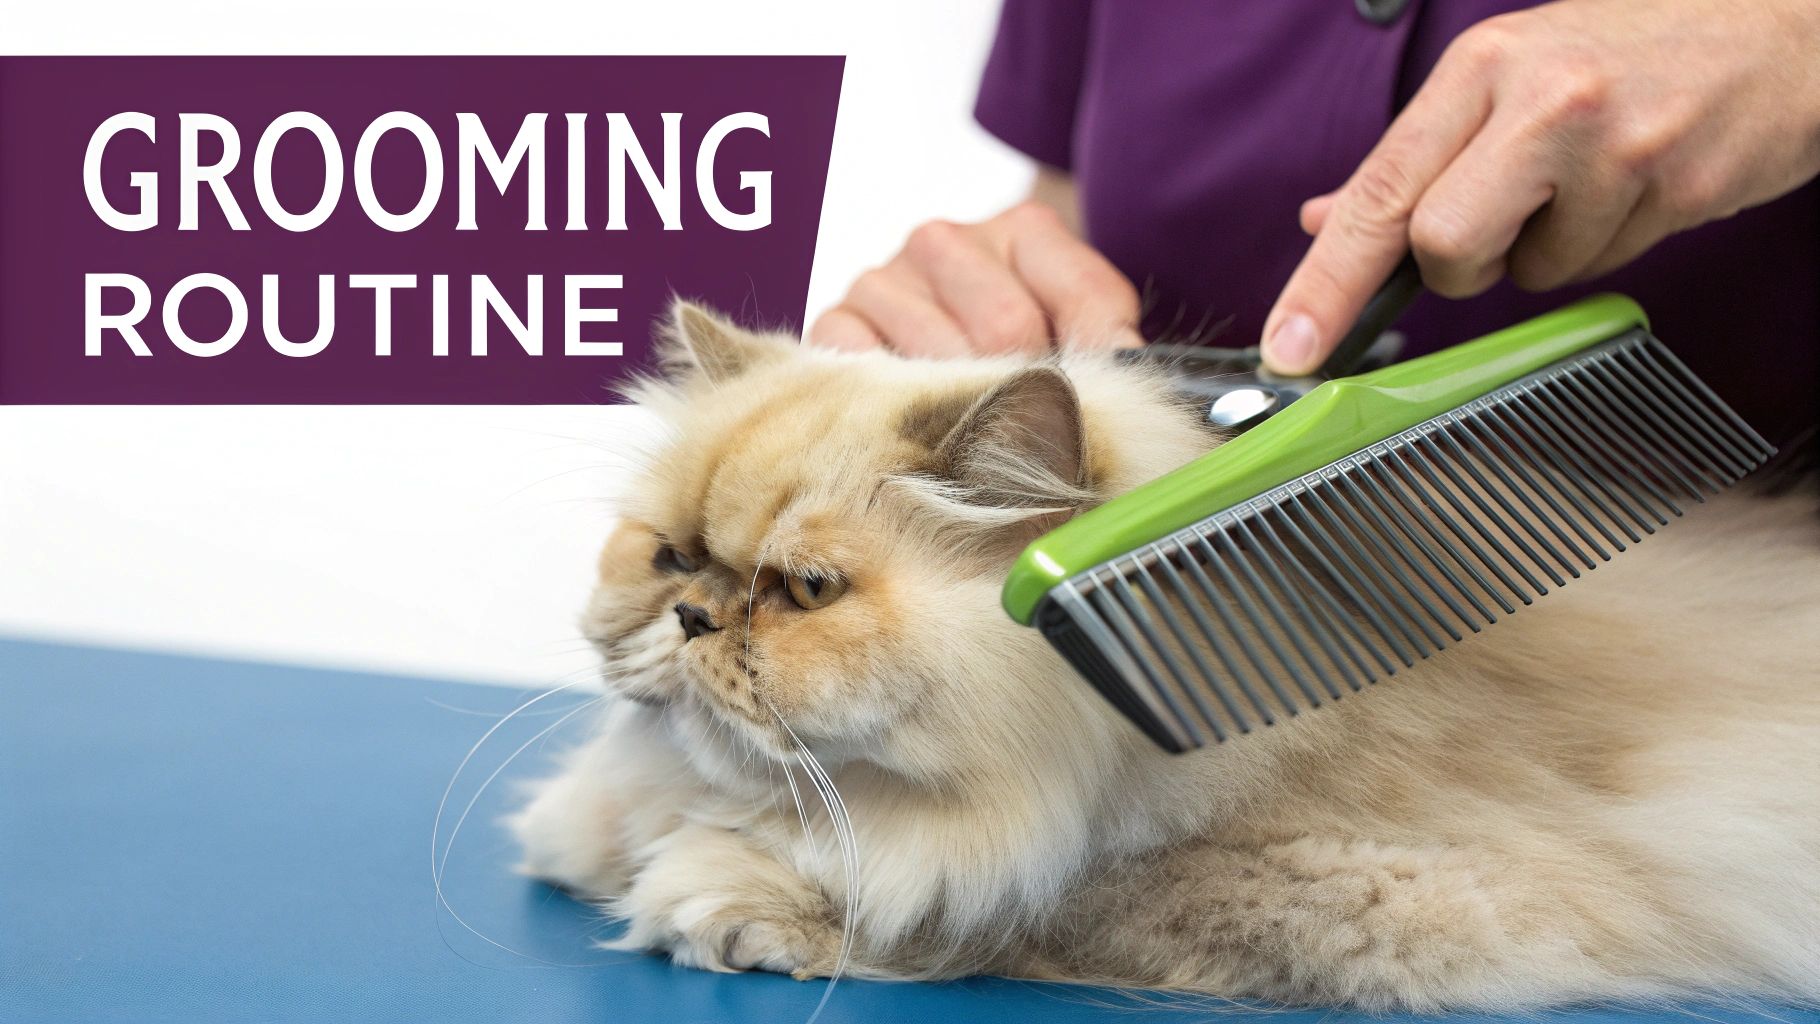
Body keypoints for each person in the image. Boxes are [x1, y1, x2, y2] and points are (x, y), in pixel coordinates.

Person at [810, 0, 1820, 447]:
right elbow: (1067, 214)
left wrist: (1793, 44)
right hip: (1198, 661)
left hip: (1709, 691)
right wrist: (988, 310)